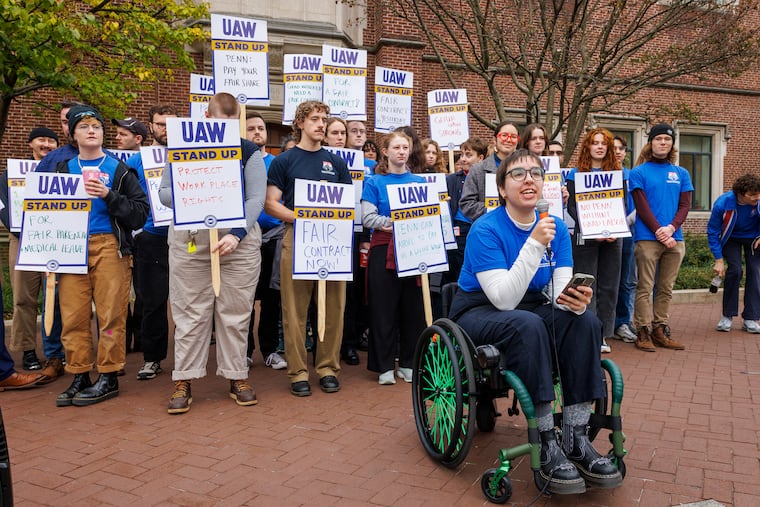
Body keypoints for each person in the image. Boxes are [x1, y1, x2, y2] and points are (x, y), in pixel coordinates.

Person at [449, 149, 622, 494]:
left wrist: (574, 302)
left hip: (532, 305)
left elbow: (559, 294)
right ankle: (545, 440)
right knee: (527, 324)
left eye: (535, 173)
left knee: (585, 322)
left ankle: (576, 437)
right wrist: (532, 244)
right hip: (480, 309)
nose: (529, 178)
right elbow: (503, 299)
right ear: (501, 189)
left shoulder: (556, 228)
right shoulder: (486, 229)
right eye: (517, 174)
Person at [159, 92, 266, 413]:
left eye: (233, 124)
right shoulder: (182, 149)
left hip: (238, 242)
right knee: (189, 311)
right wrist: (196, 199)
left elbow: (256, 200)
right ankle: (184, 378)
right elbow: (164, 193)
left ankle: (237, 375)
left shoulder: (249, 152)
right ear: (206, 118)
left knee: (236, 311)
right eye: (220, 123)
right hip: (191, 238)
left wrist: (236, 234)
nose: (226, 129)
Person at [37, 105, 149, 407]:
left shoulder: (119, 170)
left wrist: (107, 195)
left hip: (110, 246)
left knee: (110, 315)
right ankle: (79, 372)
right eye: (83, 126)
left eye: (96, 126)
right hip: (71, 247)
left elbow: (139, 214)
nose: (91, 131)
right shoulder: (61, 170)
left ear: (102, 133)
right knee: (73, 315)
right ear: (73, 134)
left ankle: (109, 374)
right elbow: (43, 213)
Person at [265, 100, 352, 397]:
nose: (321, 124)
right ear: (300, 123)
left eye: (324, 119)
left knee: (333, 308)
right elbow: (271, 203)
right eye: (314, 118)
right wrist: (303, 216)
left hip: (332, 241)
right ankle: (298, 371)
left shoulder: (337, 164)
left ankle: (328, 367)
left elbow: (346, 205)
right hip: (297, 238)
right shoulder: (284, 161)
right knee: (294, 309)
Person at [361, 131, 427, 384]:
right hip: (383, 249)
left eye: (405, 147)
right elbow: (368, 217)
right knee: (383, 308)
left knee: (412, 308)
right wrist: (397, 222)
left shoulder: (420, 182)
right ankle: (384, 364)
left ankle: (409, 362)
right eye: (396, 147)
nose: (401, 151)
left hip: (414, 249)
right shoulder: (375, 182)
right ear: (385, 152)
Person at [1, 127, 65, 381]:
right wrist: (18, 227)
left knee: (56, 297)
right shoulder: (12, 173)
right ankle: (27, 349)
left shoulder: (61, 170)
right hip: (22, 240)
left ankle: (57, 352)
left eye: (51, 140)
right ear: (30, 144)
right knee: (23, 299)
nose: (46, 144)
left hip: (53, 241)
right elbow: (4, 205)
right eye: (41, 140)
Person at [630, 123, 693, 352]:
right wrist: (660, 230)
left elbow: (685, 205)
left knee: (666, 287)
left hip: (675, 239)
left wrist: (671, 228)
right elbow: (642, 206)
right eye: (658, 139)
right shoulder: (639, 172)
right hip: (647, 238)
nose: (663, 143)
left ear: (672, 144)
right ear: (651, 142)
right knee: (644, 286)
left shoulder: (681, 173)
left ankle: (660, 329)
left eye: (667, 140)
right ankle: (643, 331)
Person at [127, 105, 178, 381]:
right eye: (160, 124)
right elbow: (127, 197)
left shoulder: (188, 153)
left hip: (185, 237)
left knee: (188, 302)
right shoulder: (137, 160)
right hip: (152, 238)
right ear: (151, 127)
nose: (166, 129)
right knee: (152, 302)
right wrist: (137, 230)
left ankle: (186, 357)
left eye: (171, 124)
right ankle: (152, 358)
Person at [565, 128, 624, 354]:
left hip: (612, 237)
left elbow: (623, 204)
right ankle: (584, 331)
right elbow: (571, 206)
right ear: (587, 146)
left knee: (609, 287)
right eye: (595, 142)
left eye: (603, 143)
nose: (599, 146)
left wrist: (614, 228)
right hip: (585, 237)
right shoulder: (575, 174)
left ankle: (602, 334)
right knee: (586, 284)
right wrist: (592, 229)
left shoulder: (618, 173)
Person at [245, 112, 287, 370]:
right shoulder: (237, 161)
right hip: (245, 236)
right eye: (251, 128)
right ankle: (245, 351)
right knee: (245, 298)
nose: (258, 132)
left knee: (272, 297)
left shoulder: (277, 163)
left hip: (273, 237)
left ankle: (270, 350)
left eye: (261, 128)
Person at [708, 173, 760, 333]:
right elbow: (713, 231)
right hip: (731, 239)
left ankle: (750, 318)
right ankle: (727, 316)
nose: (756, 197)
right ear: (740, 194)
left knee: (755, 272)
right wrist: (718, 259)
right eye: (752, 195)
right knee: (735, 271)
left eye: (758, 193)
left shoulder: (758, 200)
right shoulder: (723, 203)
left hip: (754, 239)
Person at [446, 136, 487, 284]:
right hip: (459, 231)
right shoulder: (451, 179)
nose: (463, 159)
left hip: (479, 228)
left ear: (480, 158)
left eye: (468, 155)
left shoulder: (489, 178)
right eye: (462, 154)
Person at [459, 121, 520, 221]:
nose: (508, 140)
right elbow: (466, 204)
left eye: (513, 136)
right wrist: (499, 210)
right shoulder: (478, 169)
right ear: (495, 140)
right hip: (489, 227)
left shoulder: (526, 168)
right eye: (504, 135)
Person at [612, 136, 638, 343]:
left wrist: (627, 221)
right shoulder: (598, 175)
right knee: (603, 280)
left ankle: (622, 321)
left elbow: (642, 201)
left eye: (622, 148)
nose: (618, 152)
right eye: (614, 148)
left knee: (625, 280)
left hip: (627, 232)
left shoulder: (632, 176)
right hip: (601, 233)